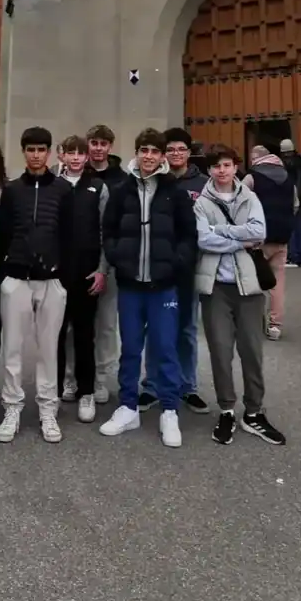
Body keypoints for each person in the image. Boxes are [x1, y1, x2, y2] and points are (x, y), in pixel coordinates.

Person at [98, 128, 198, 448]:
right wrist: (117, 258)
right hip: (130, 285)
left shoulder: (174, 192)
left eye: (156, 151)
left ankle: (170, 410)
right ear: (138, 153)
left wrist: (174, 264)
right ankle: (128, 407)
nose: (150, 156)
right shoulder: (121, 189)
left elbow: (188, 235)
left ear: (162, 156)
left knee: (165, 348)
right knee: (130, 349)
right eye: (145, 150)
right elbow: (109, 229)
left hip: (163, 285)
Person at [193, 145, 286, 446]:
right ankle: (227, 409)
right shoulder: (201, 202)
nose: (222, 171)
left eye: (227, 165)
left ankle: (254, 412)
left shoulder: (250, 197)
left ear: (235, 167)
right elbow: (203, 240)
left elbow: (259, 232)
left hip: (248, 286)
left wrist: (224, 233)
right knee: (220, 351)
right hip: (215, 287)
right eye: (216, 166)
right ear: (209, 170)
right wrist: (239, 238)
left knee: (251, 351)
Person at [0, 126, 75, 443]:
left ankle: (47, 410)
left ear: (50, 152)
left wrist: (63, 278)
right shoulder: (12, 190)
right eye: (31, 149)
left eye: (42, 149)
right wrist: (3, 275)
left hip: (52, 281)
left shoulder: (63, 190)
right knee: (12, 348)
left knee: (48, 349)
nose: (36, 154)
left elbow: (69, 236)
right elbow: (3, 235)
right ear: (24, 152)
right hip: (16, 279)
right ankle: (12, 407)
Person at [148, 128, 208, 414]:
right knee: (155, 328)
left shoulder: (203, 183)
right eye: (170, 149)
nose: (175, 154)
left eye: (180, 149)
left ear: (188, 152)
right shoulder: (153, 181)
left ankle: (187, 385)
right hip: (156, 266)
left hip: (188, 266)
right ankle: (152, 386)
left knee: (186, 328)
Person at [55, 135, 107, 423]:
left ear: (87, 157)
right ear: (62, 156)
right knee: (57, 334)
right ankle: (63, 384)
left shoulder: (97, 187)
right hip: (58, 274)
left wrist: (101, 269)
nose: (75, 157)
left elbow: (104, 230)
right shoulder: (54, 186)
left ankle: (87, 391)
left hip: (87, 273)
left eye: (80, 153)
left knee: (85, 334)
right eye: (70, 153)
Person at [84, 123, 130, 405]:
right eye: (94, 143)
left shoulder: (122, 180)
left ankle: (100, 377)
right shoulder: (76, 173)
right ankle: (74, 375)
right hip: (79, 258)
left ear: (110, 147)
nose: (98, 148)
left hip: (109, 260)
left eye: (103, 143)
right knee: (75, 324)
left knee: (105, 324)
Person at [244, 144, 297, 342]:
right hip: (282, 236)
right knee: (277, 282)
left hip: (257, 237)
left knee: (252, 279)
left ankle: (253, 322)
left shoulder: (252, 177)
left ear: (257, 158)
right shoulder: (287, 178)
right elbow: (295, 204)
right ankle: (275, 325)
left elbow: (239, 202)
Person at [279, 139, 301, 266]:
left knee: (290, 230)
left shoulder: (285, 164)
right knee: (300, 229)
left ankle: (292, 256)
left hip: (289, 200)